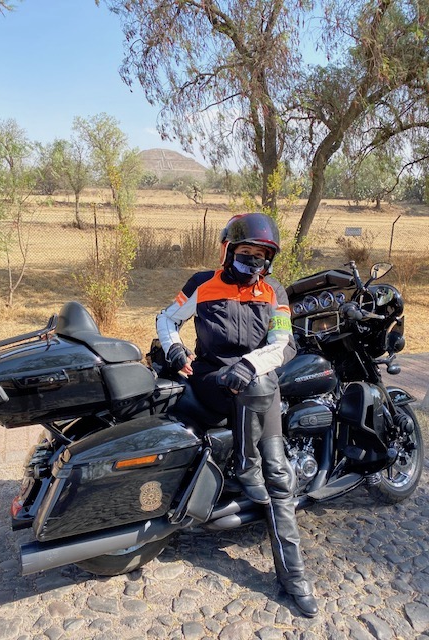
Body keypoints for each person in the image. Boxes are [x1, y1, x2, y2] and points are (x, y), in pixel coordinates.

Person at [156, 212, 318, 617]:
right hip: (213, 382)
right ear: (229, 251)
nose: (254, 261)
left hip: (257, 384)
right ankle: (247, 466)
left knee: (279, 475)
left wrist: (250, 365)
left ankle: (294, 578)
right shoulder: (202, 284)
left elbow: (283, 344)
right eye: (246, 253)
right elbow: (166, 317)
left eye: (262, 255)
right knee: (260, 391)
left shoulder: (274, 290)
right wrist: (175, 348)